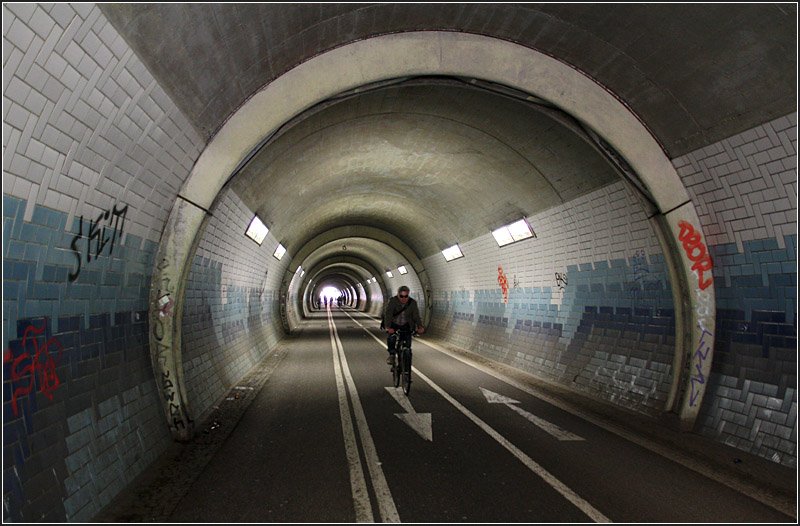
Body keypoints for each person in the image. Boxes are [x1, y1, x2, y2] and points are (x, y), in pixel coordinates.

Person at [383, 285, 425, 364]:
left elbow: (416, 316)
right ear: (398, 295)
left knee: (407, 346)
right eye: (401, 296)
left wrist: (420, 326)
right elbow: (388, 315)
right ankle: (392, 355)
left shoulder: (412, 303)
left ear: (408, 295)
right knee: (392, 338)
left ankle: (406, 364)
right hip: (395, 324)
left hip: (407, 325)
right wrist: (388, 327)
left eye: (406, 296)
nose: (403, 298)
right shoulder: (393, 301)